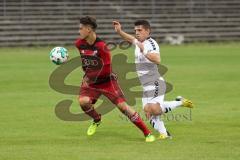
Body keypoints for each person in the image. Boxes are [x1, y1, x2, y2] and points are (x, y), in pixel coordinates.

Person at [75, 16, 155, 142]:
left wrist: (91, 76)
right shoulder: (79, 44)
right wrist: (86, 73)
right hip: (91, 82)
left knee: (123, 108)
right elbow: (85, 62)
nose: (78, 31)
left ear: (89, 29)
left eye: (81, 28)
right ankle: (97, 119)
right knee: (83, 102)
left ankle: (147, 133)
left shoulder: (102, 47)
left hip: (107, 81)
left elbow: (107, 69)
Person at [113, 20, 194, 139]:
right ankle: (165, 134)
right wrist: (120, 31)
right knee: (148, 112)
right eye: (135, 30)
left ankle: (179, 102)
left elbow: (157, 59)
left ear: (147, 31)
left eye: (140, 30)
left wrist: (143, 50)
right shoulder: (138, 42)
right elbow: (131, 39)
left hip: (155, 82)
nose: (137, 33)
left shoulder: (151, 43)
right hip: (145, 85)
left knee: (154, 109)